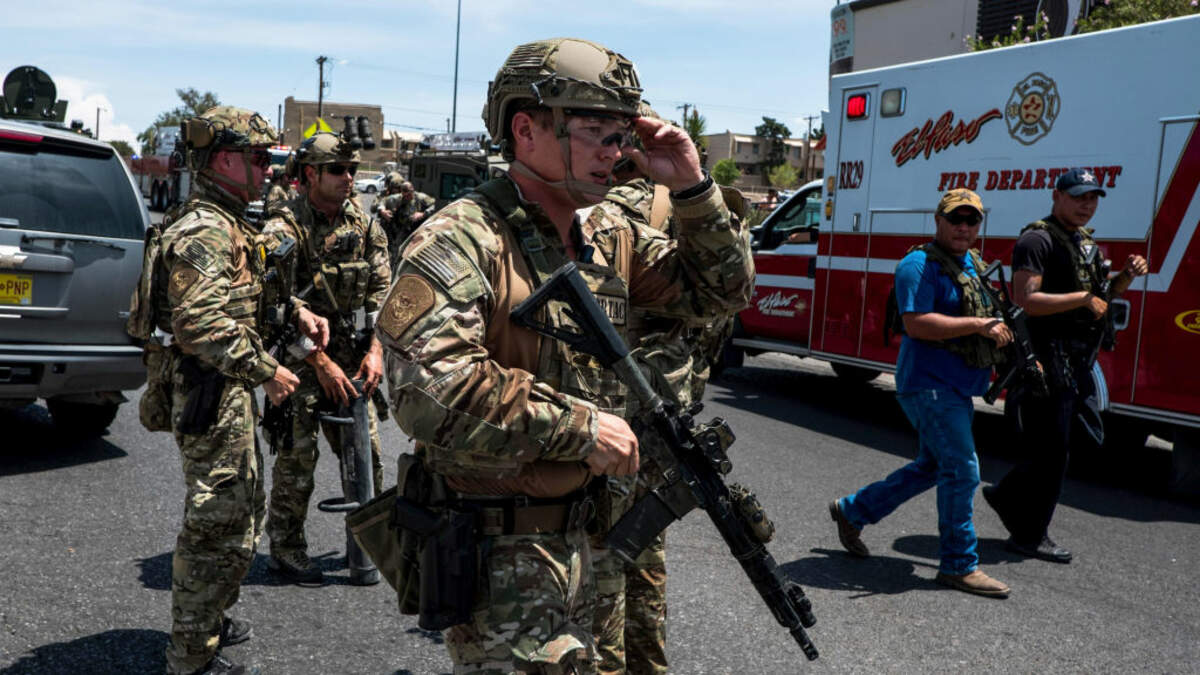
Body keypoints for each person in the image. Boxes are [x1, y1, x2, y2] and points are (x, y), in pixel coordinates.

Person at [374, 38, 752, 674]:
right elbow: (427, 390)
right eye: (597, 132)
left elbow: (722, 291)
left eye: (622, 134)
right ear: (526, 129)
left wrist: (692, 188)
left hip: (594, 543)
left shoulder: (608, 233)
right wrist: (583, 428)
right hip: (505, 556)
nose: (616, 151)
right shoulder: (462, 237)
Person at [156, 106, 328, 675]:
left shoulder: (229, 221)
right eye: (257, 157)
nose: (268, 169)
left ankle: (210, 618)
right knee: (216, 520)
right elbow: (199, 324)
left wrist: (296, 311)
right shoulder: (206, 228)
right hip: (210, 389)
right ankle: (191, 655)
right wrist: (266, 370)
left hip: (226, 387)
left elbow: (242, 297)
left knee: (242, 509)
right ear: (223, 159)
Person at [581, 118, 750, 675]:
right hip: (641, 422)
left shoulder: (604, 212)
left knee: (610, 570)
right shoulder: (668, 211)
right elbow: (730, 295)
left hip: (618, 425)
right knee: (630, 568)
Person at [829, 188, 1013, 598]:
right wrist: (978, 325)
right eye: (956, 219)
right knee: (962, 470)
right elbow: (916, 324)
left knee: (933, 466)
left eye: (972, 220)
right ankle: (959, 565)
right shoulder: (918, 264)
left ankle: (853, 510)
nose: (963, 227)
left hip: (958, 387)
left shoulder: (973, 264)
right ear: (938, 221)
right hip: (929, 385)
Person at [982, 168, 1148, 563]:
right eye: (1078, 197)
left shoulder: (1083, 241)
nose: (1086, 205)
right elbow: (1026, 299)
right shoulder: (1037, 240)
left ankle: (1007, 495)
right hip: (1045, 358)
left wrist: (1125, 276)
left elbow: (1101, 295)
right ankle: (1029, 535)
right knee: (1053, 453)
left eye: (1092, 198)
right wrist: (1081, 300)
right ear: (1057, 196)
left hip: (1076, 359)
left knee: (1077, 442)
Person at [260, 132, 392, 584]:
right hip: (300, 359)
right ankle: (287, 549)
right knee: (297, 459)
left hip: (354, 359)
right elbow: (272, 305)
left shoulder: (366, 226)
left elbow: (384, 295)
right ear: (310, 175)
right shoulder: (284, 227)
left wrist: (376, 352)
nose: (348, 177)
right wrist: (320, 362)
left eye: (351, 169)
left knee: (367, 457)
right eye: (337, 170)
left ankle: (368, 550)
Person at [374, 177, 435, 262]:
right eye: (405, 195)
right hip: (402, 230)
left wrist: (423, 213)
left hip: (417, 230)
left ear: (413, 191)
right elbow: (382, 202)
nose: (408, 197)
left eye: (409, 194)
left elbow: (435, 205)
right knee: (397, 251)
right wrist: (382, 211)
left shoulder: (421, 197)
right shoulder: (396, 199)